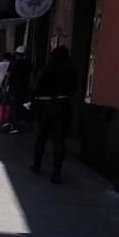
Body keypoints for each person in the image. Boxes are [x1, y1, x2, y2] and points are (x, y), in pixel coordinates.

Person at [31, 45, 76, 183]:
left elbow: (36, 88)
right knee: (59, 141)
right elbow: (74, 90)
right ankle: (56, 172)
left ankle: (37, 165)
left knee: (41, 137)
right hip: (62, 106)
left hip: (45, 106)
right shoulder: (71, 71)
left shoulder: (46, 69)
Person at [3, 45, 33, 133]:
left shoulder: (13, 63)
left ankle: (15, 125)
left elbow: (8, 75)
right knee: (19, 105)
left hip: (14, 87)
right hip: (24, 88)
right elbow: (31, 76)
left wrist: (5, 85)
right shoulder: (28, 63)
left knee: (14, 106)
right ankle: (13, 122)